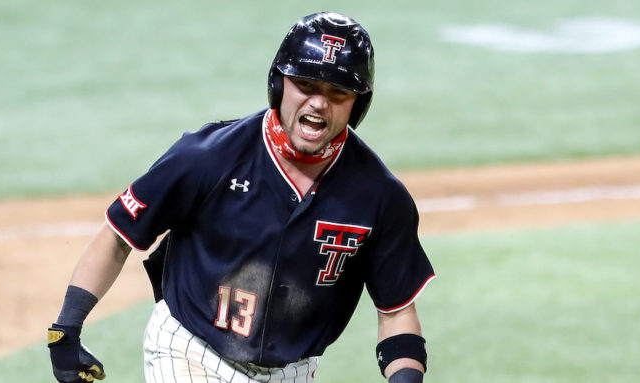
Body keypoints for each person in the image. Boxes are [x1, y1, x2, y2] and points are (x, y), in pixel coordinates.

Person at [47, 11, 436, 383]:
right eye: (306, 84)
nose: (319, 102)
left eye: (337, 91)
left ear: (358, 104)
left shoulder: (379, 196)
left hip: (294, 372)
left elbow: (397, 310)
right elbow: (120, 234)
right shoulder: (207, 157)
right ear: (279, 84)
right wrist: (67, 327)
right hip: (190, 352)